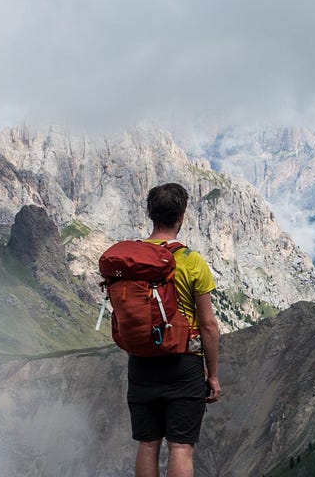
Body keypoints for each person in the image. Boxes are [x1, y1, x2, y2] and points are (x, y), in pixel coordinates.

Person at [130, 183, 221, 477]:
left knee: (147, 444)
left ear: (150, 214)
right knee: (181, 447)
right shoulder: (191, 261)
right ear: (181, 216)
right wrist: (213, 374)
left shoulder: (132, 261)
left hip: (142, 363)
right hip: (184, 363)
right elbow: (208, 325)